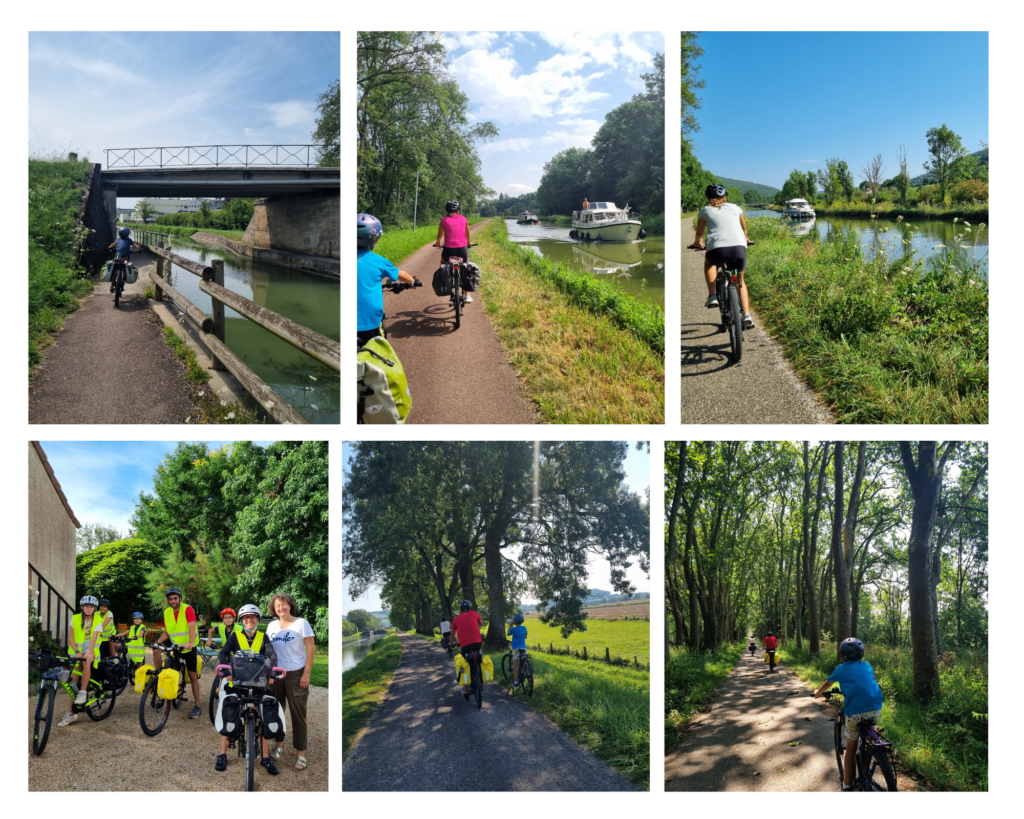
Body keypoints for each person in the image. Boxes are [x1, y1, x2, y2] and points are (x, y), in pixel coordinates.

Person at [215, 604, 279, 775]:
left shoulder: (263, 637)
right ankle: (222, 754)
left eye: (252, 617)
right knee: (229, 711)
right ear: (241, 621)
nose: (249, 620)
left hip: (258, 682)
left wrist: (272, 670)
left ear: (257, 619)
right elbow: (223, 653)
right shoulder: (235, 636)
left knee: (263, 714)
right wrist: (227, 671)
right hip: (237, 682)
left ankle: (265, 757)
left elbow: (272, 656)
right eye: (245, 618)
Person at [813, 638, 885, 792]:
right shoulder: (867, 665)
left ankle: (847, 786)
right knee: (871, 731)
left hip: (855, 713)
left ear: (843, 654)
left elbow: (827, 684)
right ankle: (875, 751)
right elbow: (871, 681)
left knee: (850, 750)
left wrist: (817, 693)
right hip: (875, 706)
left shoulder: (841, 668)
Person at [692, 183, 755, 329]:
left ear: (708, 198)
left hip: (716, 250)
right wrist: (746, 239)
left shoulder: (705, 211)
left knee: (709, 263)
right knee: (740, 281)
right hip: (738, 249)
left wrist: (697, 243)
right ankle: (747, 315)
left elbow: (699, 234)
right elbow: (743, 229)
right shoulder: (735, 208)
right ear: (725, 196)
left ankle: (713, 295)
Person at [266, 593, 316, 771]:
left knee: (298, 715)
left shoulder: (302, 623)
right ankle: (278, 746)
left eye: (284, 604)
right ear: (274, 608)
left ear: (290, 605)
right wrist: (269, 671)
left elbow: (310, 648)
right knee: (277, 712)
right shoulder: (271, 626)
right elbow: (267, 650)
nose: (281, 608)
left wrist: (306, 673)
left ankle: (300, 753)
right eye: (278, 605)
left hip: (296, 673)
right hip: (277, 673)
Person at [357, 213, 416, 345]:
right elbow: (403, 275)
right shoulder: (378, 261)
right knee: (379, 354)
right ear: (373, 239)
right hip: (370, 325)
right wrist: (412, 281)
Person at [151, 587, 203, 719]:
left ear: (180, 598)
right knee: (156, 649)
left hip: (188, 646)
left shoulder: (187, 609)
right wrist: (157, 642)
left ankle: (197, 706)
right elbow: (167, 632)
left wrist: (190, 643)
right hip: (175, 644)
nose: (173, 601)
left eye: (175, 598)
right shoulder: (167, 612)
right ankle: (158, 677)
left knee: (192, 676)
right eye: (170, 599)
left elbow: (191, 627)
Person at [57, 595, 104, 726]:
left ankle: (83, 692)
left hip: (91, 649)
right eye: (86, 606)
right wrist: (77, 652)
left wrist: (89, 651)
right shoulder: (76, 618)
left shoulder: (98, 619)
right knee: (71, 683)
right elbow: (70, 638)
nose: (88, 609)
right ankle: (70, 713)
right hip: (76, 652)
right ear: (82, 607)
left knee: (86, 662)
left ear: (94, 608)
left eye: (91, 607)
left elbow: (94, 638)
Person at [432, 200, 474, 303]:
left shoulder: (444, 220)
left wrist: (438, 243)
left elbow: (439, 235)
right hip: (462, 250)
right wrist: (469, 243)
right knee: (464, 269)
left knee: (443, 264)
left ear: (447, 211)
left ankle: (446, 283)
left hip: (448, 250)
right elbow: (467, 234)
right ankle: (467, 295)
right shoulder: (463, 219)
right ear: (457, 210)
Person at [450, 599, 484, 699]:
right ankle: (480, 676)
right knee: (479, 655)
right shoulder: (474, 613)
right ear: (469, 607)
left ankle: (466, 692)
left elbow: (452, 634)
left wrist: (451, 643)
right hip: (477, 643)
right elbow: (481, 623)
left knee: (465, 665)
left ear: (460, 608)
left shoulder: (456, 619)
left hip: (465, 646)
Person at [107, 227, 140, 293]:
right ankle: (124, 278)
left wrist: (108, 247)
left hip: (117, 258)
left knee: (114, 271)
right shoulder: (129, 240)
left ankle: (111, 288)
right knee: (126, 267)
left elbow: (113, 244)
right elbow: (135, 246)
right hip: (125, 258)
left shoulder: (118, 239)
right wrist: (138, 251)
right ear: (128, 234)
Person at [506, 613, 528, 691]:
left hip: (515, 648)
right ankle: (530, 679)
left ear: (514, 621)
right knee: (525, 663)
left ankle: (515, 683)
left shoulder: (514, 629)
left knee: (516, 665)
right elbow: (526, 635)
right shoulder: (525, 627)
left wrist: (511, 625)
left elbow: (508, 634)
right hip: (523, 647)